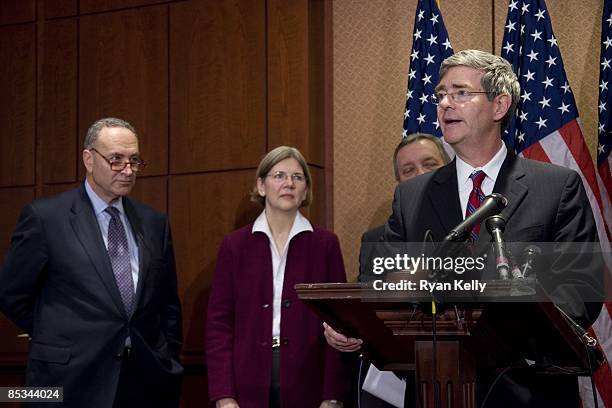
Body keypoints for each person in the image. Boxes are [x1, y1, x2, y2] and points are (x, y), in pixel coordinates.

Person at [326, 50, 602, 407]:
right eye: (441, 95)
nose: (445, 104)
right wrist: (354, 326)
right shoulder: (411, 196)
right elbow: (379, 282)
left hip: (529, 391)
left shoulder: (556, 186)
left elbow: (581, 290)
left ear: (500, 105)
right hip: (436, 389)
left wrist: (503, 322)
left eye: (460, 93)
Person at [0, 118, 183, 408]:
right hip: (68, 381)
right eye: (116, 159)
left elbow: (167, 303)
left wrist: (168, 358)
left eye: (134, 161)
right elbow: (11, 294)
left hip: (143, 382)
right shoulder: (46, 218)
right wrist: (60, 333)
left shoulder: (154, 223)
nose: (127, 170)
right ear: (89, 158)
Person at [206, 146, 349, 408]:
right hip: (246, 382)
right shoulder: (235, 246)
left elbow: (338, 323)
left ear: (305, 189)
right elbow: (219, 325)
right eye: (279, 175)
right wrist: (224, 396)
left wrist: (333, 395)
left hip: (308, 381)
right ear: (261, 186)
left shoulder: (325, 244)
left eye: (297, 177)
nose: (289, 184)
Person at [359, 133, 451, 282]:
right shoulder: (375, 241)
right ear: (399, 182)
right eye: (408, 170)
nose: (421, 174)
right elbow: (373, 297)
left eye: (430, 164)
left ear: (450, 170)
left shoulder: (475, 222)